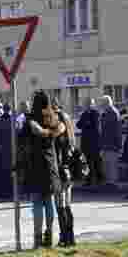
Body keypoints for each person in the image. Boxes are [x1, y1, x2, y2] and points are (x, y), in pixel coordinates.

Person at [20, 92, 66, 248]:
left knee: (37, 203)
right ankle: (49, 234)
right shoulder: (52, 118)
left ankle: (38, 238)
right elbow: (61, 129)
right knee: (49, 201)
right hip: (50, 164)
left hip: (35, 165)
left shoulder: (30, 120)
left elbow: (22, 141)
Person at [54, 106, 78, 248]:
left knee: (60, 206)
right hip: (69, 172)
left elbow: (57, 157)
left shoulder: (59, 137)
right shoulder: (70, 136)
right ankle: (70, 237)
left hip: (61, 172)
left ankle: (64, 237)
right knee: (67, 206)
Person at [100, 96, 122, 189]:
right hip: (107, 143)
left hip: (112, 143)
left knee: (111, 165)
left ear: (107, 103)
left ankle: (112, 183)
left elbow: (115, 130)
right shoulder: (106, 112)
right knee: (107, 165)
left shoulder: (113, 113)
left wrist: (118, 145)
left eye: (102, 103)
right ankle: (109, 182)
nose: (101, 105)